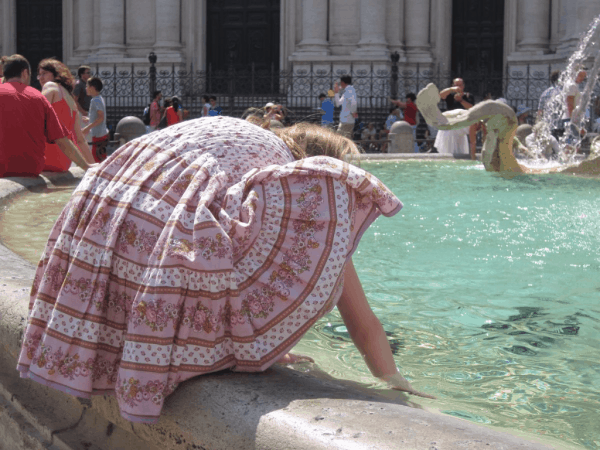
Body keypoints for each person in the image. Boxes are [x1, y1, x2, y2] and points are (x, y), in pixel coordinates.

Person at [16, 115, 435, 425]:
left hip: (101, 209)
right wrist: (394, 383)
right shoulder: (292, 190)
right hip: (151, 219)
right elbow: (362, 322)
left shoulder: (236, 135)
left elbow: (193, 234)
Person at [0, 54, 94, 177]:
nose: (39, 78)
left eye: (43, 74)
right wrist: (88, 166)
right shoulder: (39, 97)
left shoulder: (48, 89)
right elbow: (65, 138)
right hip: (33, 166)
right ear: (25, 73)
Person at [37, 58, 94, 172]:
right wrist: (93, 165)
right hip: (63, 162)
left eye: (44, 73)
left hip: (45, 157)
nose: (40, 78)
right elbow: (80, 140)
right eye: (39, 75)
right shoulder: (71, 100)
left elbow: (36, 115)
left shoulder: (50, 86)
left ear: (56, 74)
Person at [435, 78, 475, 158]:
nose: (458, 87)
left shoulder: (468, 96)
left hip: (462, 123)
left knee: (460, 146)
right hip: (450, 123)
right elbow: (440, 95)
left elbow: (472, 108)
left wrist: (461, 101)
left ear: (463, 86)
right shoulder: (450, 95)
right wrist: (451, 89)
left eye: (460, 85)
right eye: (456, 85)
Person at [82, 76, 109, 163]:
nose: (86, 88)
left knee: (97, 160)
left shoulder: (95, 100)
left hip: (98, 134)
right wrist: (89, 119)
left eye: (87, 86)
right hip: (100, 133)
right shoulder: (98, 98)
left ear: (92, 88)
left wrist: (87, 128)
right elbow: (99, 116)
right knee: (100, 158)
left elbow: (101, 117)